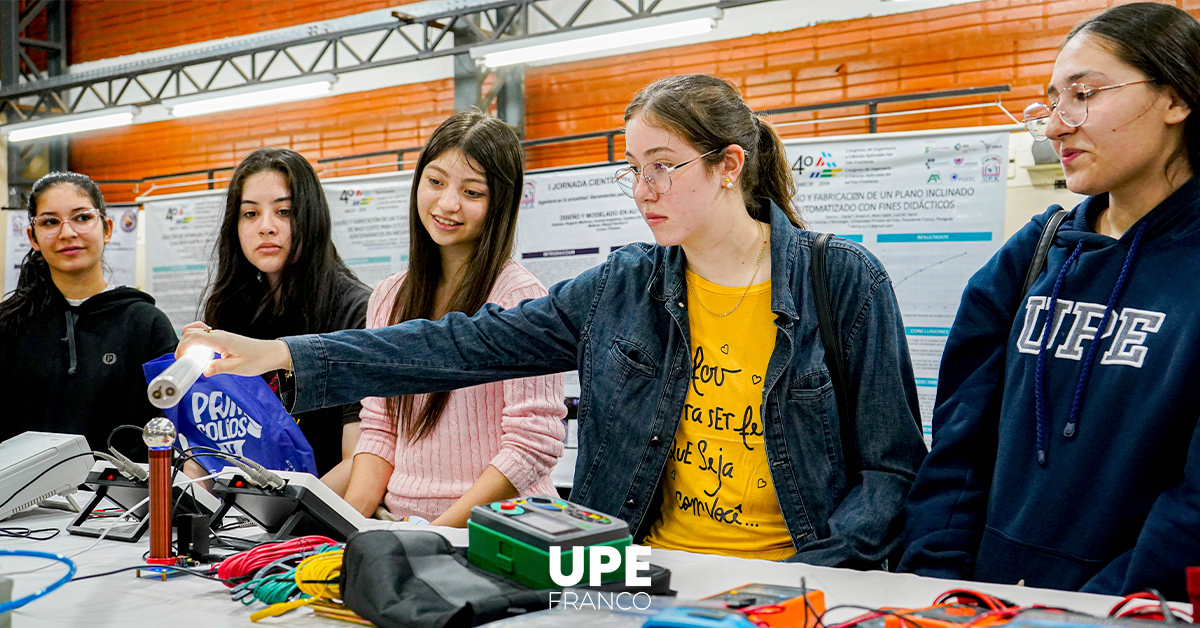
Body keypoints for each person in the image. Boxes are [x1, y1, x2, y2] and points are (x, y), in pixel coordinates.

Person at [178, 74, 927, 564]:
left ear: (729, 165)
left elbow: (891, 469)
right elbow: (462, 345)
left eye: (662, 165)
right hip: (635, 574)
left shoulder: (842, 282)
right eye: (631, 167)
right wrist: (280, 353)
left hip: (790, 579)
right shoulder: (623, 286)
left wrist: (815, 578)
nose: (642, 188)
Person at [900, 2, 1200, 600]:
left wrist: (1091, 608)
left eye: (1084, 94)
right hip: (978, 603)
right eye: (1053, 101)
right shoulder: (1035, 253)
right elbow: (959, 445)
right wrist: (938, 579)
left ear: (1176, 99)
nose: (1056, 125)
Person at [341, 111, 566, 527]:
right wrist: (350, 527)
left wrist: (440, 535)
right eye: (436, 181)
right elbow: (380, 428)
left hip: (498, 529)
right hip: (404, 527)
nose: (447, 203)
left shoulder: (520, 297)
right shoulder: (390, 296)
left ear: (500, 203)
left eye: (472, 191)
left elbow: (532, 444)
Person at [199, 147, 370, 481]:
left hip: (318, 518)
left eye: (285, 211)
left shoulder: (356, 310)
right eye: (250, 214)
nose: (266, 227)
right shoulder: (231, 309)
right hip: (242, 513)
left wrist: (286, 519)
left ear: (311, 217)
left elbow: (359, 461)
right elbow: (212, 446)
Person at [0, 172, 177, 450]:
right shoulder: (9, 325)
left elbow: (171, 426)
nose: (68, 233)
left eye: (82, 218)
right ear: (33, 237)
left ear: (106, 229)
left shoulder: (146, 324)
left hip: (120, 492)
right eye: (50, 222)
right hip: (22, 492)